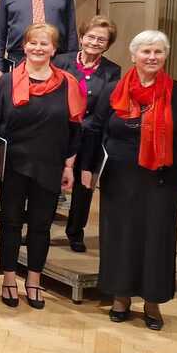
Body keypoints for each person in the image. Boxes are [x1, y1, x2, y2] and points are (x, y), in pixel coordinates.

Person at [80, 30, 177, 331]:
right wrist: (87, 168)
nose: (152, 57)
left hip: (163, 180)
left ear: (165, 56)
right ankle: (120, 297)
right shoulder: (114, 89)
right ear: (133, 56)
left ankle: (152, 301)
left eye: (158, 51)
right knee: (119, 236)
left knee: (157, 238)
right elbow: (95, 129)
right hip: (119, 178)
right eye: (146, 51)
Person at [0, 23, 84, 310]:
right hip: (13, 164)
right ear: (24, 47)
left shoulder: (68, 83)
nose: (38, 48)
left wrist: (69, 166)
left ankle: (34, 280)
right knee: (11, 223)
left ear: (54, 49)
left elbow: (75, 129)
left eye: (44, 43)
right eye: (33, 43)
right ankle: (9, 278)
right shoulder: (6, 82)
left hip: (50, 164)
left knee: (41, 225)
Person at [53, 15, 121, 252]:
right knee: (50, 183)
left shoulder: (112, 71)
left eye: (101, 39)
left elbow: (106, 107)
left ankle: (75, 232)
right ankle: (39, 228)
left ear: (108, 44)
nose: (94, 42)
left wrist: (85, 129)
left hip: (91, 137)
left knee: (84, 187)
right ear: (81, 37)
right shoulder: (61, 61)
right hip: (59, 134)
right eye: (91, 37)